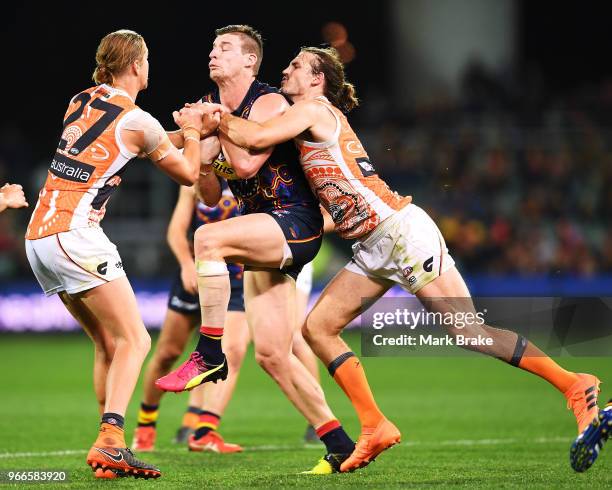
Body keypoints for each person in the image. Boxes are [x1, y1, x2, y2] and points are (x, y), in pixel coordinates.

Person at [211, 46, 603, 473]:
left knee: (468, 332)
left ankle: (573, 384)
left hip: (399, 231)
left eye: (297, 65)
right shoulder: (303, 114)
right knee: (318, 328)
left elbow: (254, 138)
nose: (286, 69)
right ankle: (374, 425)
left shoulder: (314, 109)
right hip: (372, 246)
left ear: (318, 78)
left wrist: (214, 116)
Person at [155, 25, 356, 473]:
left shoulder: (267, 102)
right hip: (266, 230)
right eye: (211, 47)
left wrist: (206, 128)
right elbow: (208, 194)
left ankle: (209, 353)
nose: (212, 54)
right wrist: (193, 143)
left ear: (249, 60)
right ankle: (339, 443)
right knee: (272, 355)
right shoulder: (213, 106)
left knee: (207, 238)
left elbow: (246, 161)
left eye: (223, 48)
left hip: (295, 222)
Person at [24, 29, 205, 480]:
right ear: (138, 65)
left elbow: (140, 141)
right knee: (136, 340)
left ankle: (107, 452)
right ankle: (111, 440)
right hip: (76, 234)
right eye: (148, 60)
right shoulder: (138, 119)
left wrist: (186, 132)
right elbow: (186, 173)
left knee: (108, 344)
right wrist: (198, 133)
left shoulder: (81, 100)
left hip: (39, 238)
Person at [132, 182, 246, 454]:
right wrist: (186, 265)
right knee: (168, 353)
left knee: (233, 350)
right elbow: (175, 230)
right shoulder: (200, 176)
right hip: (198, 273)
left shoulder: (254, 172)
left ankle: (205, 431)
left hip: (239, 278)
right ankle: (146, 424)